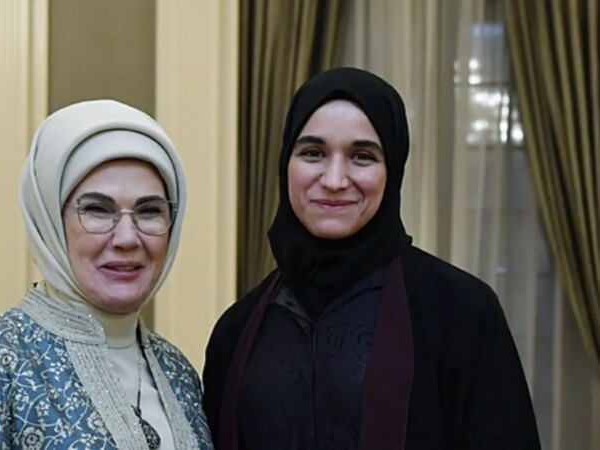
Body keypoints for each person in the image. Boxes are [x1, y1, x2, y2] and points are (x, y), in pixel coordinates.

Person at [202, 68, 540, 450]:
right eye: (313, 153)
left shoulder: (461, 313)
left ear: (392, 170)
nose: (334, 180)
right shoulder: (236, 331)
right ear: (286, 163)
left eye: (362, 156)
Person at [0, 100, 213, 449]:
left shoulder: (178, 373)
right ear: (49, 220)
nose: (127, 238)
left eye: (149, 210)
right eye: (97, 209)